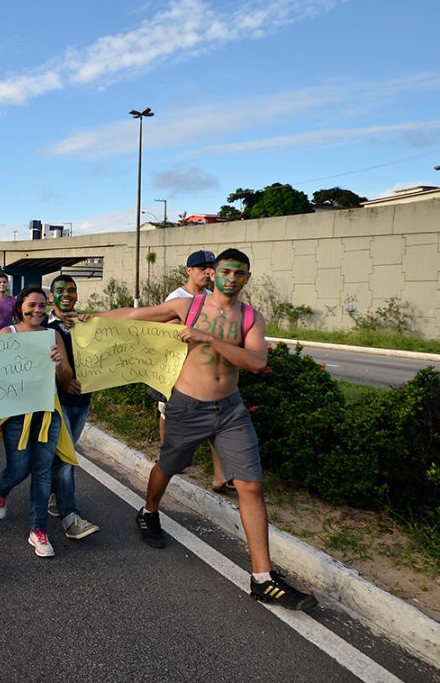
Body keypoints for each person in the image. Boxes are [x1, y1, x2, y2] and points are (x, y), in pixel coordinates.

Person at [101, 249, 317, 610]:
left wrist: (210, 340)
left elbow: (256, 361)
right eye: (227, 272)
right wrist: (91, 319)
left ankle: (262, 578)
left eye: (240, 273)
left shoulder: (251, 318)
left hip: (230, 409)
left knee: (251, 484)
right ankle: (149, 512)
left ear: (247, 278)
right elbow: (136, 316)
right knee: (168, 467)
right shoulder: (190, 307)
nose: (232, 279)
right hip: (188, 405)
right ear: (214, 274)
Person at [0, 285, 77, 558]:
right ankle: (2, 487)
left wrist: (59, 364)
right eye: (31, 304)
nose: (37, 310)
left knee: (43, 470)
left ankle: (38, 530)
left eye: (41, 305)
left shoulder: (53, 335)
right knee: (19, 468)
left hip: (48, 413)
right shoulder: (6, 334)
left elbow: (66, 378)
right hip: (16, 415)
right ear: (19, 306)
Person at [160, 250, 231, 493]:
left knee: (218, 422)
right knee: (167, 413)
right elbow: (165, 331)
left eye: (210, 267)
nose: (207, 272)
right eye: (201, 268)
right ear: (189, 270)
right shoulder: (177, 297)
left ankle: (220, 475)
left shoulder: (213, 297)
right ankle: (168, 460)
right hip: (180, 371)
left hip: (210, 372)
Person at [45, 275, 100, 540]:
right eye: (60, 290)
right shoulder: (42, 325)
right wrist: (62, 382)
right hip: (55, 402)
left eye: (71, 290)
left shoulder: (88, 323)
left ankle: (53, 497)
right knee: (67, 457)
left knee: (65, 454)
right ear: (51, 296)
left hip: (83, 400)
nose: (66, 294)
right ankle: (71, 517)